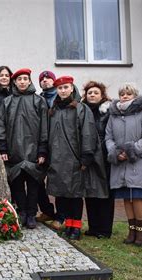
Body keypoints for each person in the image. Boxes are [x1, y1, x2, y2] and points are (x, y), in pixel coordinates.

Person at [46, 76, 108, 240]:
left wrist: (86, 157)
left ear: (71, 88)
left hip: (74, 160)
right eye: (60, 88)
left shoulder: (81, 109)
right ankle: (67, 224)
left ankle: (76, 227)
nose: (63, 91)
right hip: (57, 160)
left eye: (66, 87)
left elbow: (88, 133)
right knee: (61, 194)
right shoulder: (53, 110)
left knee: (75, 195)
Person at [0, 68, 48, 229]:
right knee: (17, 184)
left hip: (33, 151)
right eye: (19, 79)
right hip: (13, 150)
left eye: (25, 79)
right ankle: (22, 212)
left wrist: (42, 149)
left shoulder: (38, 101)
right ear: (15, 82)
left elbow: (44, 126)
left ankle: (31, 214)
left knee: (33, 185)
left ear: (30, 81)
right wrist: (3, 148)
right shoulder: (7, 102)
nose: (22, 81)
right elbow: (0, 124)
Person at [105, 83, 142, 246]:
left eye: (128, 94)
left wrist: (131, 151)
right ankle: (131, 230)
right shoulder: (114, 115)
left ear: (135, 96)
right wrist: (116, 152)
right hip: (119, 163)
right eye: (122, 93)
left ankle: (141, 232)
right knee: (126, 197)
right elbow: (108, 137)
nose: (124, 96)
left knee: (137, 196)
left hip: (138, 161)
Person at [81, 80, 115, 238]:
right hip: (88, 157)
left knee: (105, 194)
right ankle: (93, 227)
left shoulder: (108, 112)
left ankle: (105, 229)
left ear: (102, 95)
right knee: (90, 192)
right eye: (89, 93)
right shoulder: (83, 111)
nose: (92, 95)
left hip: (104, 156)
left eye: (95, 93)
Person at [35, 70, 57, 224]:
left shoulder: (60, 97)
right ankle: (47, 211)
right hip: (44, 143)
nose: (45, 81)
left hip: (58, 144)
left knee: (59, 181)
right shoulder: (40, 98)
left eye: (48, 79)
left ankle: (62, 215)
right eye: (42, 79)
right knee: (37, 180)